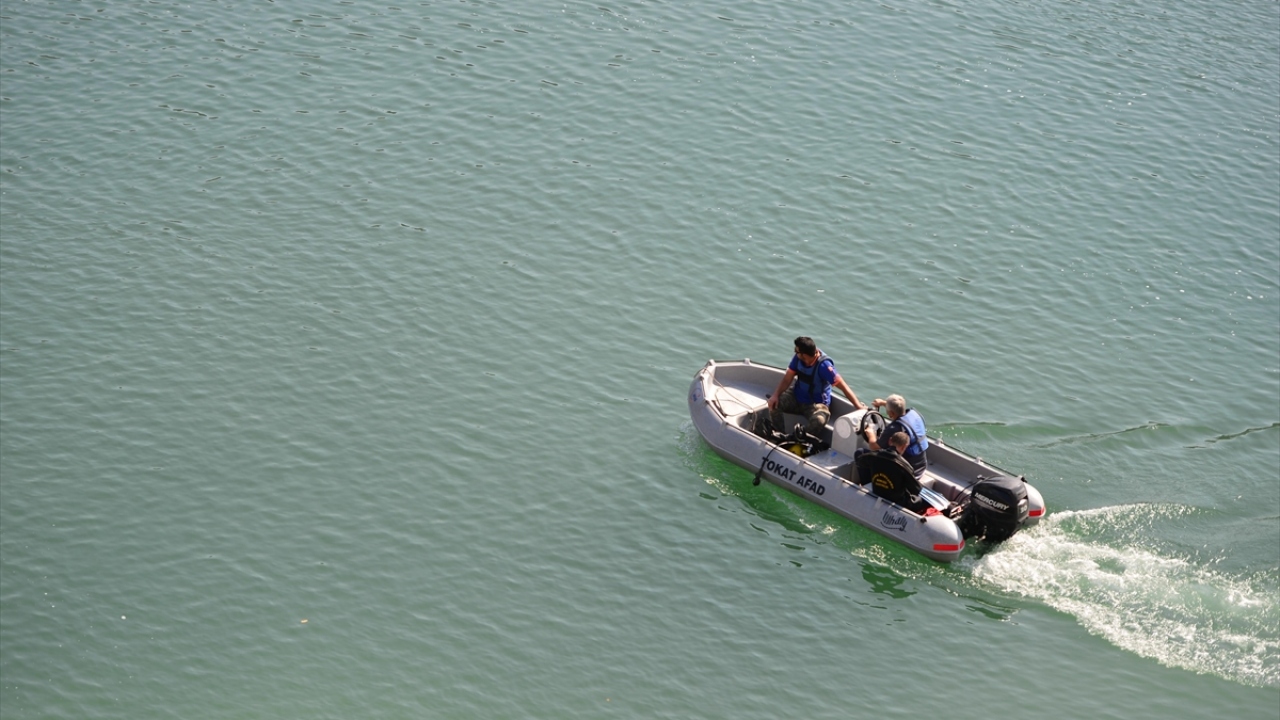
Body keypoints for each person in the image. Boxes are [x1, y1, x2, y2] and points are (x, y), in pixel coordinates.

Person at [767, 336, 866, 436]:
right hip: (796, 397)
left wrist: (859, 406)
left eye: (796, 351)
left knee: (819, 421)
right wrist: (775, 395)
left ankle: (799, 439)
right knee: (774, 405)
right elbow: (787, 379)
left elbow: (844, 386)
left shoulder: (824, 366)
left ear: (804, 354)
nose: (795, 353)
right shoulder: (798, 359)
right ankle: (779, 435)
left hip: (816, 404)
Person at [856, 432, 930, 513]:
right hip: (898, 502)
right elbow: (917, 489)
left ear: (890, 441)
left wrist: (866, 481)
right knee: (925, 500)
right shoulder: (904, 466)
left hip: (877, 491)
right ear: (904, 447)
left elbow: (859, 460)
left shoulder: (872, 456)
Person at [862, 394, 928, 478]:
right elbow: (898, 408)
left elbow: (874, 447)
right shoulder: (913, 415)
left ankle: (867, 482)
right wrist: (883, 403)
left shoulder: (894, 428)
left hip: (908, 472)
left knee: (861, 453)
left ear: (891, 413)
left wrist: (871, 434)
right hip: (921, 467)